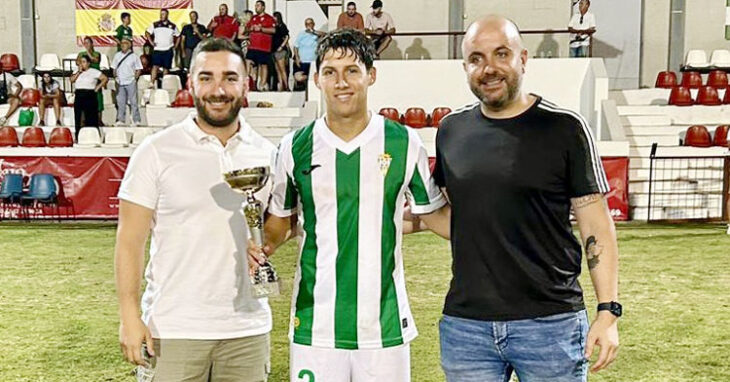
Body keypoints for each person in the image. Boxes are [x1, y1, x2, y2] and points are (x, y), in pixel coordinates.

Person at [423, 15, 619, 381]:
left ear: (523, 59)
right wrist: (391, 214)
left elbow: (596, 226)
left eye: (501, 54)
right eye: (476, 58)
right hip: (467, 328)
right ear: (465, 66)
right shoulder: (451, 130)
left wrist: (607, 311)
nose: (489, 68)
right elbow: (460, 219)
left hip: (550, 324)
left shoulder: (565, 129)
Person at [248, 28, 450, 382]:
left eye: (352, 70)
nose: (341, 82)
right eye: (330, 72)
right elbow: (280, 223)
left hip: (384, 325)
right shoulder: (295, 147)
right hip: (315, 324)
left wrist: (494, 231)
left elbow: (434, 215)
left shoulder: (404, 143)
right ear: (317, 79)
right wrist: (256, 246)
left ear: (371, 75)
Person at [115, 37, 275, 382]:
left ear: (246, 83)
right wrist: (129, 313)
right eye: (207, 78)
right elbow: (129, 240)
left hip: (247, 329)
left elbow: (278, 225)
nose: (219, 89)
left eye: (230, 78)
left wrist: (267, 245)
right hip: (174, 329)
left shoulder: (266, 154)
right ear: (191, 83)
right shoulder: (156, 151)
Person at [70, 54, 107, 138]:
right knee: (79, 116)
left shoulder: (94, 71)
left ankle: (93, 135)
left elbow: (104, 78)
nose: (82, 64)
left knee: (91, 116)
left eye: (84, 62)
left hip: (90, 94)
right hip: (79, 94)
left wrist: (97, 88)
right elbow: (72, 80)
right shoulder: (76, 71)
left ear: (88, 63)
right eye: (80, 62)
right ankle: (78, 135)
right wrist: (78, 72)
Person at [112, 37, 143, 126]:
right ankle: (121, 119)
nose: (123, 45)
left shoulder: (134, 56)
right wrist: (116, 77)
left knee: (133, 102)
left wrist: (134, 79)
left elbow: (138, 69)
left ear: (129, 45)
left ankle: (136, 120)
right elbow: (114, 68)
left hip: (130, 81)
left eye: (125, 43)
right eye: (121, 43)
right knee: (121, 102)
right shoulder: (117, 55)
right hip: (120, 82)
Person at [245, 0, 276, 91]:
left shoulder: (269, 18)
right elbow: (247, 29)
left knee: (263, 65)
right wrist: (250, 28)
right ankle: (248, 83)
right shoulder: (253, 18)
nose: (256, 7)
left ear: (263, 7)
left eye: (258, 5)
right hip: (252, 46)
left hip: (263, 46)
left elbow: (273, 30)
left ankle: (262, 84)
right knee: (248, 62)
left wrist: (261, 29)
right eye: (255, 6)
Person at [145, 8, 180, 87]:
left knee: (166, 68)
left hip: (168, 49)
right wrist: (151, 42)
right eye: (161, 14)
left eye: (163, 14)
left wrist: (176, 46)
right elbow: (147, 33)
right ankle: (152, 83)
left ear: (167, 15)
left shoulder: (173, 26)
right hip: (157, 49)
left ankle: (165, 84)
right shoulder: (155, 24)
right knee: (155, 66)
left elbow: (178, 36)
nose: (162, 16)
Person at [77, 37, 105, 125]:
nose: (86, 45)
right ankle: (84, 120)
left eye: (88, 43)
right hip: (86, 79)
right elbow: (78, 62)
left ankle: (99, 119)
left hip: (96, 77)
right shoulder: (81, 54)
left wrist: (88, 53)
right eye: (85, 43)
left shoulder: (97, 53)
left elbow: (95, 60)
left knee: (98, 99)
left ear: (92, 44)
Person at [292, 18, 322, 91]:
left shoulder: (316, 34)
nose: (308, 25)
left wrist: (313, 32)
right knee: (299, 77)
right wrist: (297, 58)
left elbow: (325, 35)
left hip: (313, 61)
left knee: (312, 78)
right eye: (307, 24)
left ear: (313, 24)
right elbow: (295, 46)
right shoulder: (301, 34)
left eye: (310, 23)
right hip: (303, 60)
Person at [271, 11, 290, 91]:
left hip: (280, 50)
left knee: (282, 69)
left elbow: (286, 36)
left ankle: (286, 86)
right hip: (273, 50)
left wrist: (282, 46)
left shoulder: (282, 26)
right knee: (277, 70)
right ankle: (281, 86)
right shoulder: (273, 27)